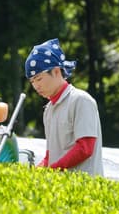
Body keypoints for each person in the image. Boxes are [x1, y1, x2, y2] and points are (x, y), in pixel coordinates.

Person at [25, 38, 103, 176]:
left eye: (38, 79)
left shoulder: (81, 100)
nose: (36, 86)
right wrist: (35, 174)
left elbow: (85, 148)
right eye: (32, 81)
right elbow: (50, 156)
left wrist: (52, 170)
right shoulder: (48, 110)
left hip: (85, 189)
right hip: (60, 189)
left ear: (56, 71)